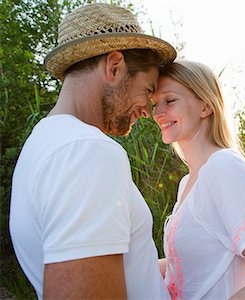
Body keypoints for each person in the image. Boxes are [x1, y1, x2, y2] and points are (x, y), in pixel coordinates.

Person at [9, 3, 176, 299]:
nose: (149, 111)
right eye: (148, 90)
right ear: (114, 67)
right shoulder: (87, 152)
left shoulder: (42, 142)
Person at [152, 60, 245, 299]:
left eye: (170, 100)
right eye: (155, 103)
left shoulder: (225, 167)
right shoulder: (188, 182)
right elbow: (195, 263)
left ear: (205, 107)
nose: (158, 113)